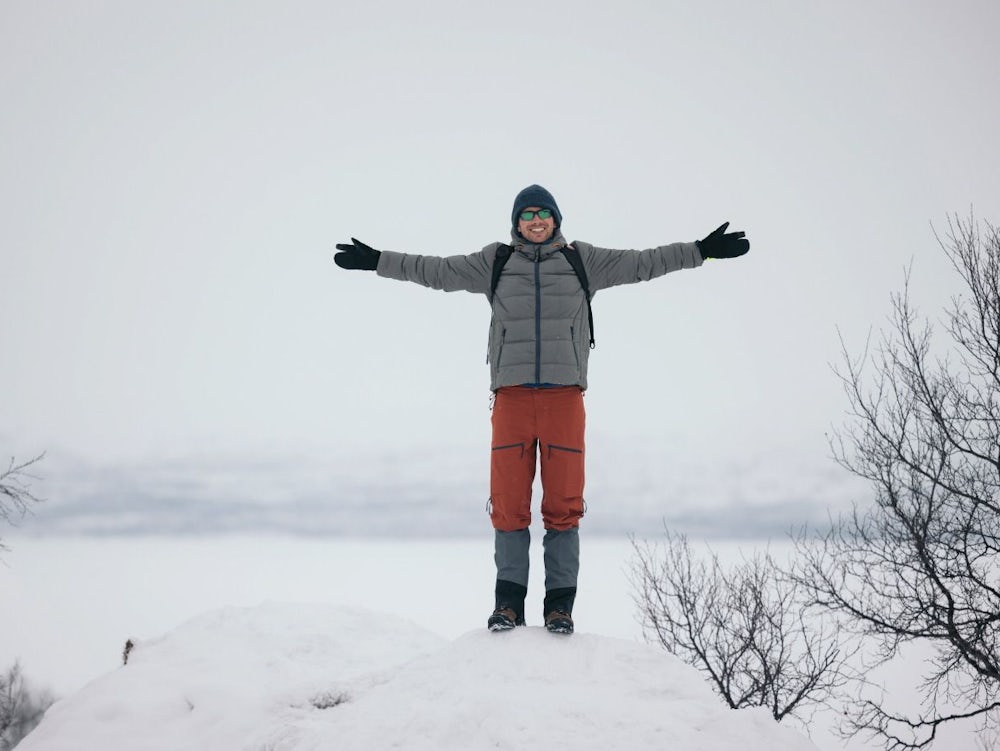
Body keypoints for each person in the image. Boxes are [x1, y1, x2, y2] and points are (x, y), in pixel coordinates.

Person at [334, 184, 749, 635]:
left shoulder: (582, 260)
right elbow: (435, 271)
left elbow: (643, 263)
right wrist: (377, 261)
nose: (536, 221)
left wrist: (702, 250)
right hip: (511, 399)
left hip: (563, 400)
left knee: (563, 506)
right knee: (509, 505)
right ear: (515, 222)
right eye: (527, 214)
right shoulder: (493, 262)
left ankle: (559, 608)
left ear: (556, 220)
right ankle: (508, 605)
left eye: (544, 214)